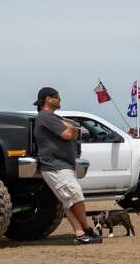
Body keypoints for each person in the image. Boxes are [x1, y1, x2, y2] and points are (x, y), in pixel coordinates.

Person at [33, 87, 100, 245]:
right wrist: (70, 127)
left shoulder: (53, 117)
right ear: (48, 99)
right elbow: (69, 134)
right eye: (57, 97)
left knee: (68, 200)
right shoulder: (45, 116)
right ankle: (85, 228)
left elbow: (75, 132)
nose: (60, 99)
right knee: (75, 195)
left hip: (62, 165)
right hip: (54, 166)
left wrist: (71, 128)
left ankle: (79, 232)